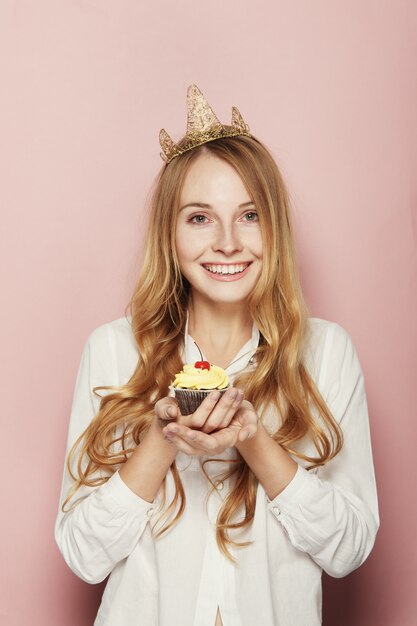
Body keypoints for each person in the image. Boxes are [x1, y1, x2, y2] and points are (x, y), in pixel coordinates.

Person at [55, 85, 379, 626]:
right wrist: (161, 437)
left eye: (249, 215)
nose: (227, 242)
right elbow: (83, 556)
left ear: (274, 228)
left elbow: (348, 551)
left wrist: (253, 438)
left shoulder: (327, 355)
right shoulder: (112, 350)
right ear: (171, 233)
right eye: (200, 218)